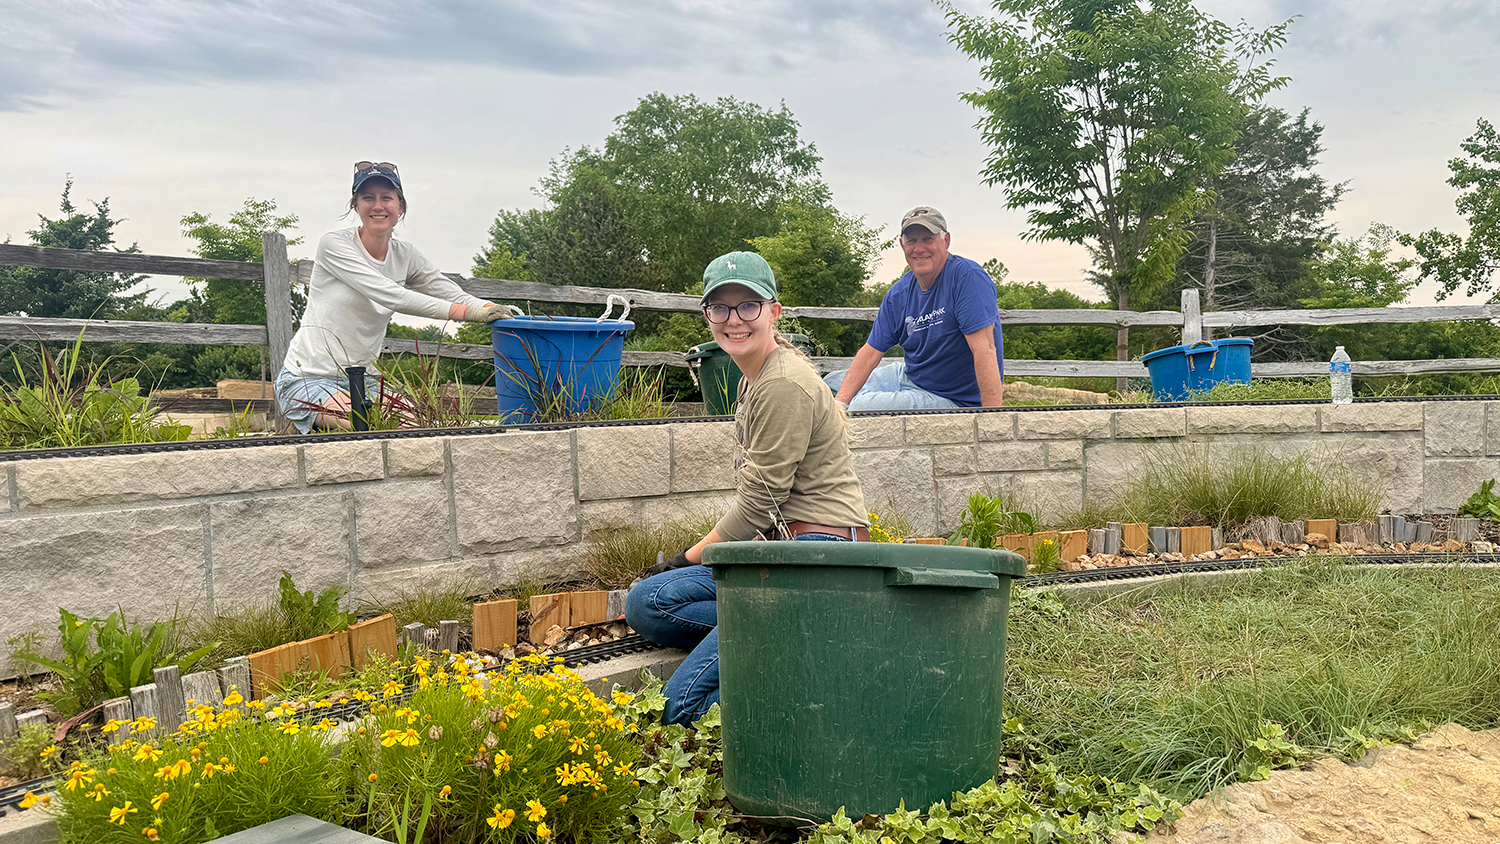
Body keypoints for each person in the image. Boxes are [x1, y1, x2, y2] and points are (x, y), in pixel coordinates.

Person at [625, 251, 869, 725]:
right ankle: (788, 634)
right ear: (707, 316)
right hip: (777, 552)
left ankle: (818, 681)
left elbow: (759, 504)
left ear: (774, 312)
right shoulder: (752, 378)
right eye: (721, 307)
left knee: (681, 707)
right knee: (647, 602)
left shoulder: (783, 384)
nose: (734, 319)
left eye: (748, 306)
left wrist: (687, 557)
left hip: (818, 558)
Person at [275, 161, 510, 433]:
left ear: (401, 207)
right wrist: (469, 314)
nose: (378, 206)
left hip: (365, 380)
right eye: (368, 198)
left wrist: (491, 308)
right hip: (308, 378)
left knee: (417, 425)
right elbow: (390, 295)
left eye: (387, 197)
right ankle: (301, 426)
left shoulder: (404, 254)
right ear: (355, 205)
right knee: (368, 423)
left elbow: (447, 290)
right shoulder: (334, 245)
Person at [824, 206, 1004, 410]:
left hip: (954, 398)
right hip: (910, 376)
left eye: (928, 238)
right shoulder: (898, 294)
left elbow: (985, 349)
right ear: (902, 245)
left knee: (861, 408)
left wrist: (992, 418)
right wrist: (841, 402)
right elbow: (871, 352)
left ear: (946, 241)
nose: (919, 248)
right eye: (912, 240)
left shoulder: (967, 278)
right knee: (828, 385)